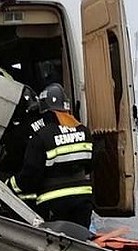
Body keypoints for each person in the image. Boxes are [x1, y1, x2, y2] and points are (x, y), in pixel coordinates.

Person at [14, 83, 94, 228]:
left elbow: (30, 175)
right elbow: (90, 166)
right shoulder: (84, 132)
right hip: (83, 201)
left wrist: (11, 184)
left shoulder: (42, 136)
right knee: (79, 243)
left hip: (54, 204)